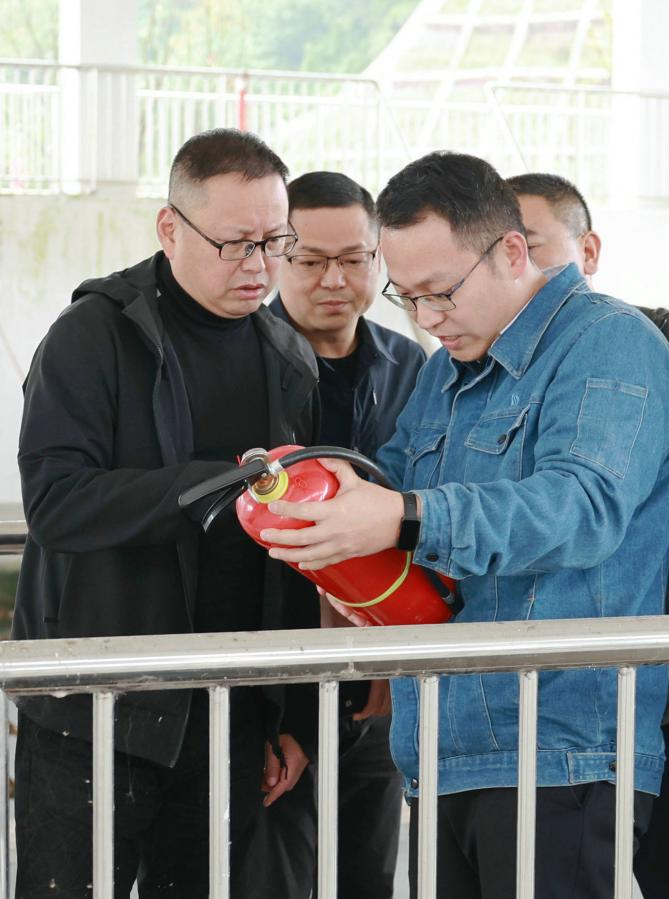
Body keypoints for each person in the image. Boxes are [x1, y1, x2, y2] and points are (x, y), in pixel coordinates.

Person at [258, 151, 669, 898]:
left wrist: (405, 516)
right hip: (438, 741)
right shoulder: (446, 368)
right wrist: (326, 506)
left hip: (558, 748)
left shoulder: (609, 344)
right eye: (407, 298)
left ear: (513, 252)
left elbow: (582, 507)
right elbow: (391, 483)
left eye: (442, 293)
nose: (427, 319)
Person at [11, 128, 317, 897]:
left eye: (275, 242)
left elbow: (286, 554)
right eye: (235, 243)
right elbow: (55, 502)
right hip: (96, 708)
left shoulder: (287, 357)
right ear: (170, 228)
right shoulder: (92, 337)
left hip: (227, 711)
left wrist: (287, 712)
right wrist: (210, 486)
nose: (258, 265)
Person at [508, 171, 669, 899]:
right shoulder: (470, 367)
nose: (513, 270)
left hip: (667, 689)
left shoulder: (668, 343)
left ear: (587, 250)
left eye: (530, 247)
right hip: (544, 709)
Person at [253, 170, 425, 898]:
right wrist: (271, 705)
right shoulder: (244, 360)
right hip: (271, 669)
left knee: (369, 871)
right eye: (310, 260)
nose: (334, 279)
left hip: (373, 672)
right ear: (276, 255)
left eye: (354, 259)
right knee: (272, 874)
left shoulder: (411, 365)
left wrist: (388, 658)